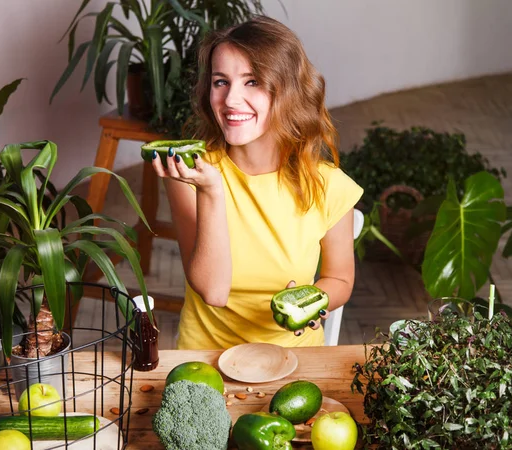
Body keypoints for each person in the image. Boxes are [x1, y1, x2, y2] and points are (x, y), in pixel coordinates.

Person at [150, 15, 363, 349]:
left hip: (295, 360)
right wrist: (212, 190)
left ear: (289, 91)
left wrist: (313, 301)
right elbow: (213, 291)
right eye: (221, 82)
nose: (231, 99)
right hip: (208, 359)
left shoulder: (329, 185)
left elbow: (340, 279)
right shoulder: (191, 173)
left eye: (252, 81)